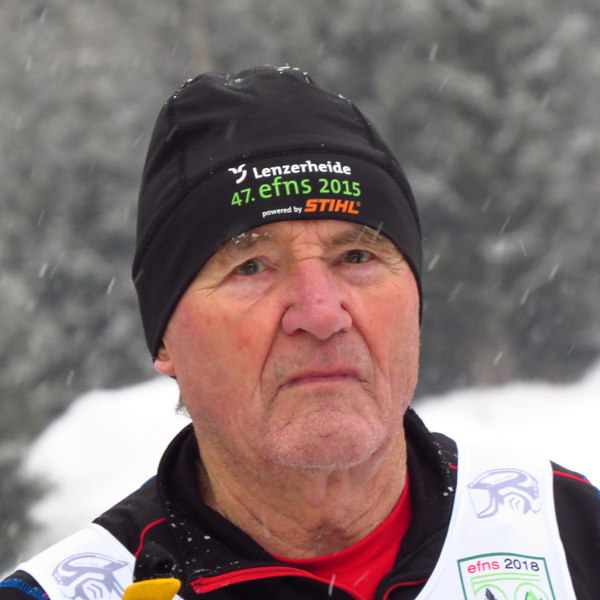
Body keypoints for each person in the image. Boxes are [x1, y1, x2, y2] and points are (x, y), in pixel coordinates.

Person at [2, 66, 598, 600]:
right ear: (163, 341)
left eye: (357, 256)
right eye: (251, 267)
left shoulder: (567, 532)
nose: (321, 313)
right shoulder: (79, 590)